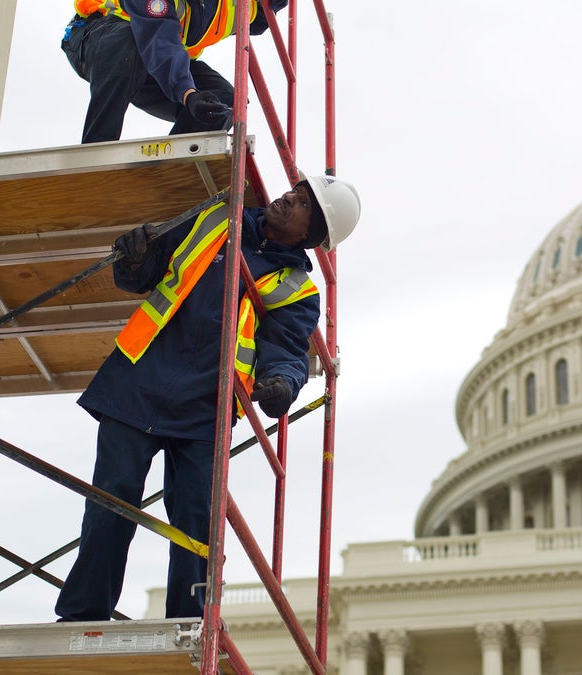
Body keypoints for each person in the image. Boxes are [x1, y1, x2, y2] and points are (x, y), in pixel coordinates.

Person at [55, 174, 361, 621]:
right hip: (139, 381)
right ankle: (83, 614)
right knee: (112, 500)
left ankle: (188, 622)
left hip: (206, 408)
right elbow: (144, 273)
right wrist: (135, 255)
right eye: (294, 191)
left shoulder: (296, 288)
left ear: (311, 234)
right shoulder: (218, 218)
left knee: (196, 521)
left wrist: (282, 386)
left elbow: (288, 352)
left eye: (302, 203)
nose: (287, 197)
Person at [61, 0, 289, 144]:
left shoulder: (245, 7)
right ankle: (98, 147)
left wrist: (194, 95)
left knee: (225, 101)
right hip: (97, 39)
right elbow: (159, 39)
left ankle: (169, 176)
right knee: (128, 41)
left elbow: (265, 14)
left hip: (157, 63)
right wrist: (188, 94)